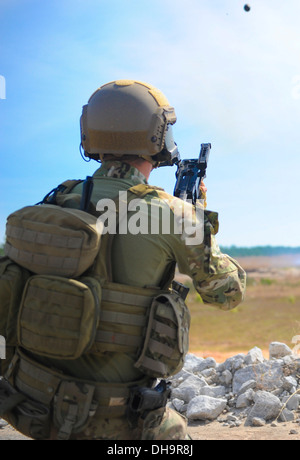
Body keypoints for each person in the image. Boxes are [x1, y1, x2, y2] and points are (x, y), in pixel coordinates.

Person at [2, 80, 246, 440]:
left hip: (31, 402)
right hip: (114, 416)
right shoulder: (176, 216)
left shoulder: (53, 202)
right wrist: (199, 222)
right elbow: (227, 293)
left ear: (91, 133)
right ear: (157, 135)